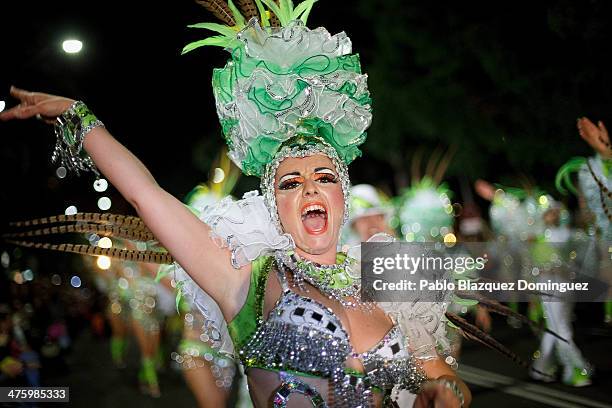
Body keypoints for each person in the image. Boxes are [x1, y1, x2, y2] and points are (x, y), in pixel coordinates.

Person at [0, 2, 470, 406]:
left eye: (324, 177)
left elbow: (441, 374)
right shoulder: (245, 277)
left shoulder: (387, 273)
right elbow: (146, 195)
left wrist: (446, 391)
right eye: (290, 183)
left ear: (340, 198)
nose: (309, 187)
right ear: (274, 205)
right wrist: (76, 116)